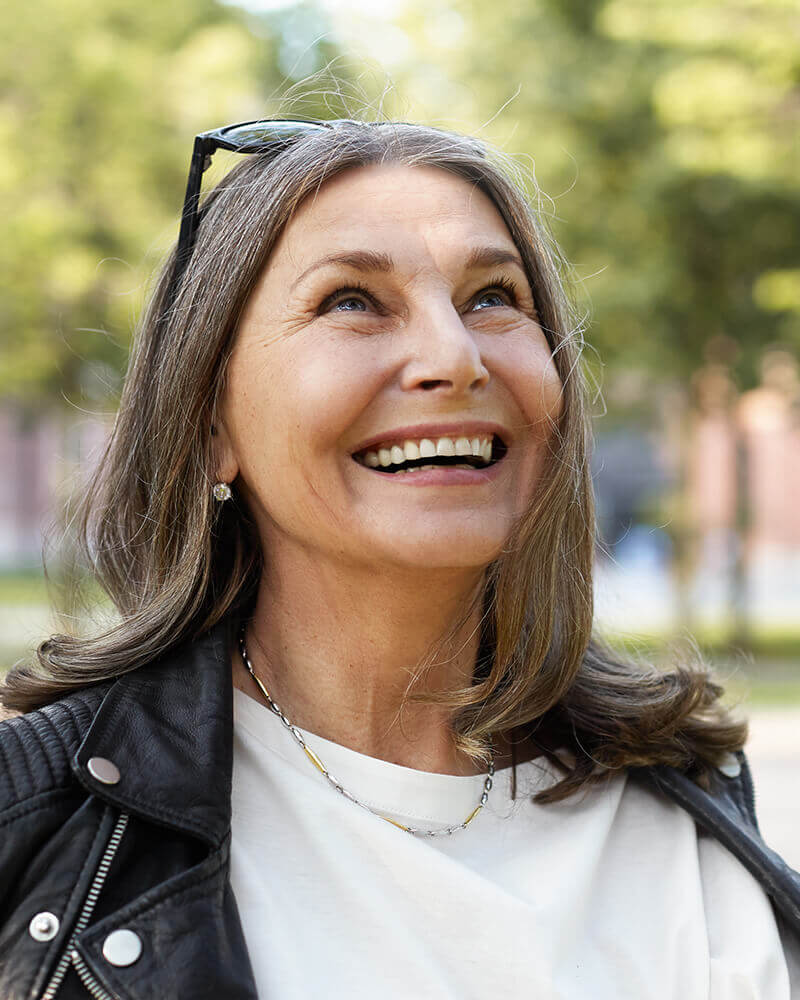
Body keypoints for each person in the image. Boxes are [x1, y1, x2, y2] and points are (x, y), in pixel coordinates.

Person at [0, 117, 798, 1000]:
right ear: (209, 422)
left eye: (493, 297)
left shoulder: (686, 814)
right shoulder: (37, 823)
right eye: (352, 301)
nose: (454, 358)